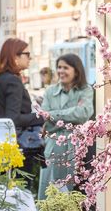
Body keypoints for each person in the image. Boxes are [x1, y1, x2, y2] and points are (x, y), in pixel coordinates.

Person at [37, 53, 94, 200]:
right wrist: (70, 116)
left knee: (73, 194)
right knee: (49, 193)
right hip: (53, 148)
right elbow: (44, 118)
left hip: (77, 149)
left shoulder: (86, 90)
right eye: (59, 67)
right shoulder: (50, 91)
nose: (61, 71)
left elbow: (83, 113)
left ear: (76, 70)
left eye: (65, 67)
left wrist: (54, 116)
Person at [0, 38, 45, 190]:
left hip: (4, 144)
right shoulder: (13, 81)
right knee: (21, 191)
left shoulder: (1, 78)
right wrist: (41, 117)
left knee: (5, 190)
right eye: (27, 54)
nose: (30, 58)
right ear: (15, 57)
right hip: (18, 146)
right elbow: (13, 118)